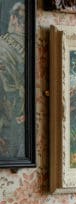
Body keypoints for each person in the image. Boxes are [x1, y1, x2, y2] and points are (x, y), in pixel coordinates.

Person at [0, 1, 25, 158]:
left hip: (9, 112)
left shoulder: (2, 46)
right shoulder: (31, 44)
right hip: (21, 113)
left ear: (14, 19)